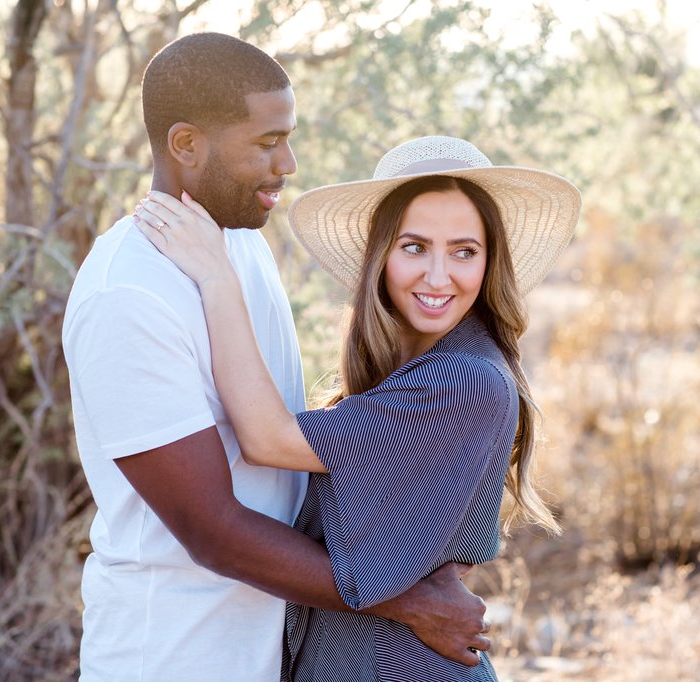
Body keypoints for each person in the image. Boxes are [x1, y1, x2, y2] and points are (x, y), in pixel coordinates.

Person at [62, 35, 490, 682]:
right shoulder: (127, 296)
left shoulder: (240, 245)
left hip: (270, 649)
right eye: (267, 143)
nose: (288, 164)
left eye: (287, 139)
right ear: (186, 144)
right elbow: (212, 529)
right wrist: (408, 601)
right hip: (176, 655)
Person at [134, 135, 582, 680]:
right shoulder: (411, 369)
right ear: (382, 254)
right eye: (414, 247)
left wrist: (215, 276)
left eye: (464, 251)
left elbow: (267, 438)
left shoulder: (464, 380)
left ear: (489, 263)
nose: (438, 276)